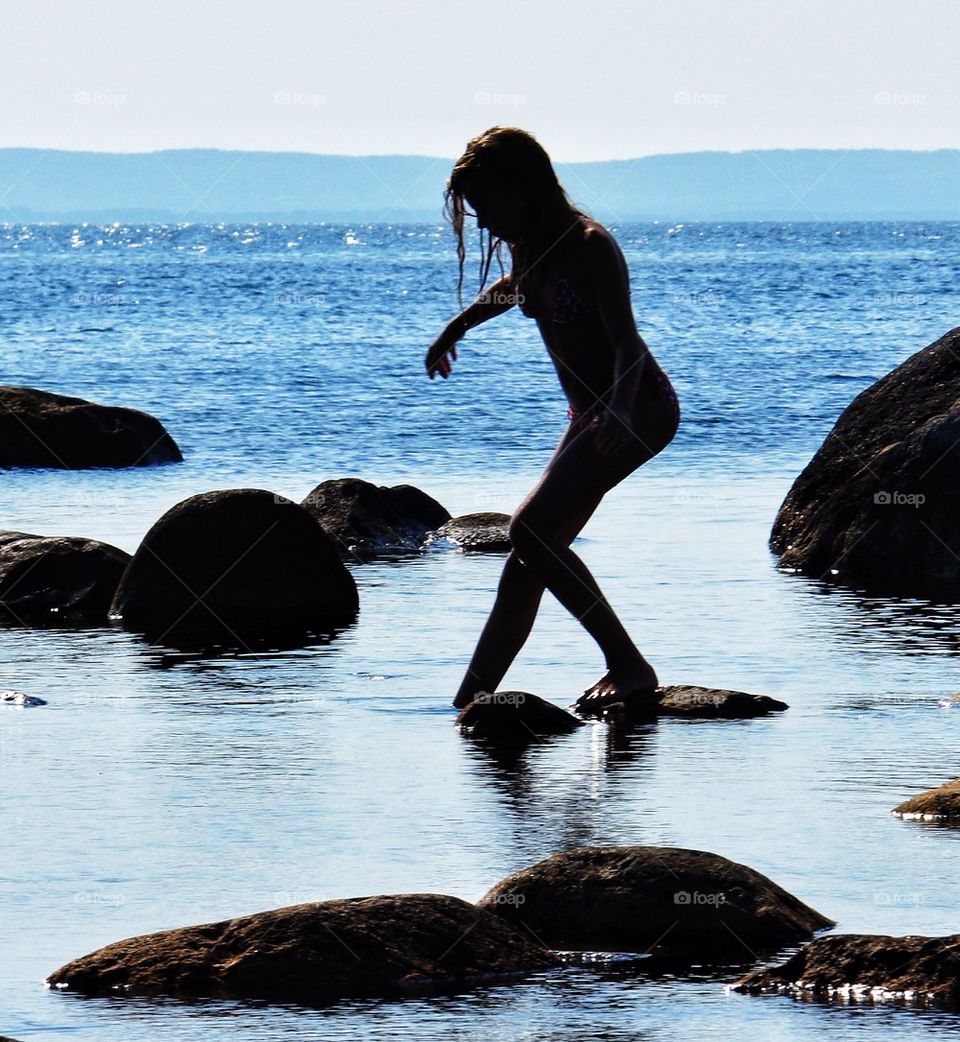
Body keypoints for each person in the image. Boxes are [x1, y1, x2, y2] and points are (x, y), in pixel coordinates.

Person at [425, 127, 680, 715]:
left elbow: (627, 341)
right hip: (594, 413)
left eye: (487, 206)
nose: (484, 223)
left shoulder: (590, 244)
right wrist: (455, 329)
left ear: (523, 189)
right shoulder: (531, 246)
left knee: (529, 531)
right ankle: (472, 698)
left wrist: (616, 407)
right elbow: (512, 290)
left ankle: (629, 664)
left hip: (636, 407)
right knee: (530, 556)